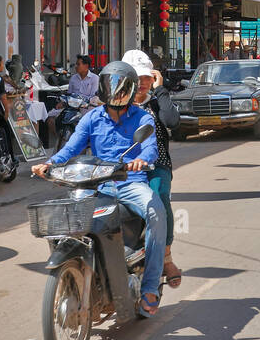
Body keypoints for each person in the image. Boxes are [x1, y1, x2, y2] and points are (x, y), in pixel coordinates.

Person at [33, 61, 164, 316]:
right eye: (111, 86)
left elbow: (150, 147)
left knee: (155, 211)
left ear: (131, 89)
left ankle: (150, 287)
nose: (116, 92)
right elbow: (71, 148)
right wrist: (49, 163)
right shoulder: (92, 117)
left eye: (122, 87)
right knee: (68, 220)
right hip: (96, 185)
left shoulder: (142, 117)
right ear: (103, 88)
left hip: (130, 183)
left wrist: (142, 160)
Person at [125, 49, 183, 289]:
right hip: (122, 166)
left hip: (157, 165)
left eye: (146, 78)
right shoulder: (118, 102)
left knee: (159, 197)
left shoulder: (158, 101)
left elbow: (172, 122)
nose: (142, 84)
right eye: (137, 79)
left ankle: (166, 258)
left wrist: (160, 90)